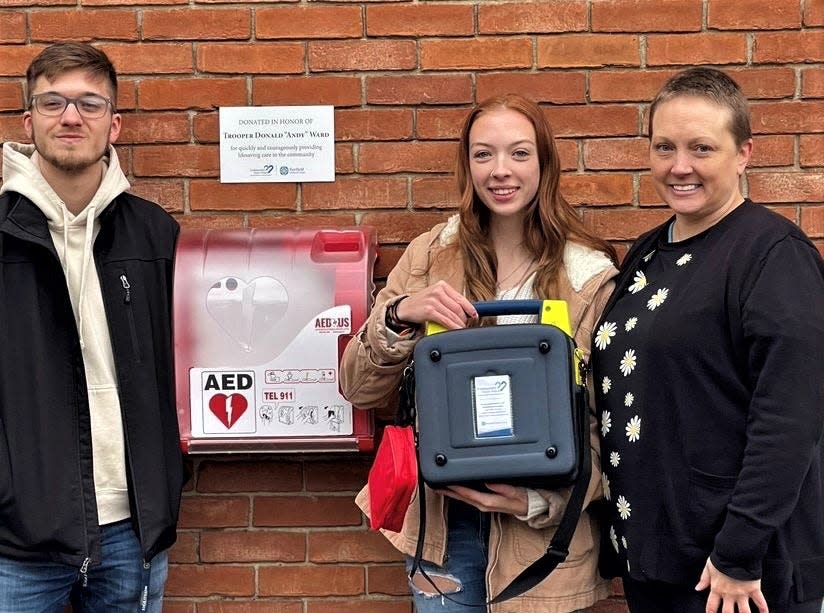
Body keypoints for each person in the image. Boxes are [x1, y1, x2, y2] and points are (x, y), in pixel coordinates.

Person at [340, 94, 619, 613]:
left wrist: (537, 502)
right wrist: (399, 313)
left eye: (519, 153)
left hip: (543, 541)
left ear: (545, 163)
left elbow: (613, 428)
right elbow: (357, 387)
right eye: (483, 154)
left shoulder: (589, 278)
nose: (500, 171)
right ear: (466, 165)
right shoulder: (430, 256)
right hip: (446, 527)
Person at [592, 66, 824, 613]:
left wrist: (739, 553)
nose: (679, 167)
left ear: (743, 153)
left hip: (738, 577)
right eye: (664, 147)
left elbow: (790, 420)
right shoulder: (648, 251)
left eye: (701, 148)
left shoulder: (772, 256)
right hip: (658, 558)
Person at [0, 42, 185, 612]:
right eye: (53, 103)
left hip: (133, 531)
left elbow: (182, 367)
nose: (71, 117)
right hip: (16, 540)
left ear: (115, 123)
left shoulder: (155, 235)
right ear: (29, 122)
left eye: (89, 103)